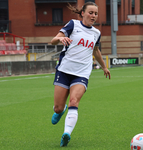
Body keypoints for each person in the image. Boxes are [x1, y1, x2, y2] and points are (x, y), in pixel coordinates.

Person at [50, 1, 111, 147]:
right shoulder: (73, 25)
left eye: (96, 13)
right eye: (91, 12)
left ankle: (66, 134)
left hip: (82, 73)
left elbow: (96, 51)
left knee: (74, 101)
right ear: (83, 13)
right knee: (58, 107)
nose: (93, 16)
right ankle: (61, 110)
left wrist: (104, 67)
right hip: (64, 70)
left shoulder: (96, 33)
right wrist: (60, 38)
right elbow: (52, 41)